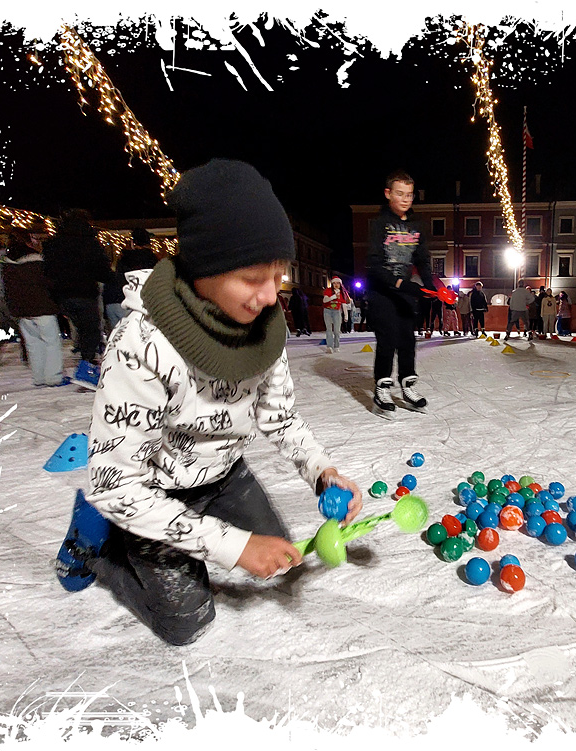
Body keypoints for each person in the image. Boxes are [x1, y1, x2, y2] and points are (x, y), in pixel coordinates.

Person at [56, 159, 362, 645]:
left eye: (277, 278)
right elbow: (115, 484)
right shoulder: (141, 344)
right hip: (155, 490)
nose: (269, 298)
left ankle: (191, 530)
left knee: (282, 560)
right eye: (253, 278)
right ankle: (101, 549)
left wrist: (322, 470)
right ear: (205, 267)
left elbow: (279, 418)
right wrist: (229, 544)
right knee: (186, 623)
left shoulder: (265, 329)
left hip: (225, 476)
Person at [365, 170, 435, 416]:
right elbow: (374, 264)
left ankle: (408, 386)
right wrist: (399, 285)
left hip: (404, 290)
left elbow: (423, 260)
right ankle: (382, 387)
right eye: (399, 194)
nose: (405, 199)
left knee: (408, 339)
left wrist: (433, 288)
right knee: (388, 339)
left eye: (409, 195)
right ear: (388, 194)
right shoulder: (379, 224)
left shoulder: (416, 226)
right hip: (382, 291)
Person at [41, 208, 112, 388]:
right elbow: (101, 269)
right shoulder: (89, 242)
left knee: (81, 329)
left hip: (63, 295)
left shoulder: (53, 244)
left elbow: (47, 271)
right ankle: (86, 368)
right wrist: (112, 279)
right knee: (91, 330)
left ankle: (85, 364)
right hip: (84, 292)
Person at [0, 229, 70, 387]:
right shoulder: (38, 261)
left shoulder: (7, 263)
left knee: (33, 344)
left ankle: (38, 377)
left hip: (22, 310)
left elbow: (7, 289)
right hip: (42, 307)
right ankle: (54, 376)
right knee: (51, 342)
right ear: (28, 241)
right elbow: (49, 284)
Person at [103, 228, 159, 333]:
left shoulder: (124, 259)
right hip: (144, 303)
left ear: (133, 242)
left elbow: (118, 280)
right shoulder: (153, 260)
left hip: (119, 300)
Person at [322, 276, 349, 353]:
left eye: (337, 283)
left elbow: (344, 305)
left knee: (337, 330)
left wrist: (346, 316)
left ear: (340, 284)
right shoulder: (328, 291)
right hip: (327, 311)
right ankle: (329, 346)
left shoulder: (343, 293)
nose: (336, 285)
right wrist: (334, 296)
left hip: (336, 312)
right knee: (329, 329)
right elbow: (325, 300)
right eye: (334, 283)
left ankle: (336, 346)